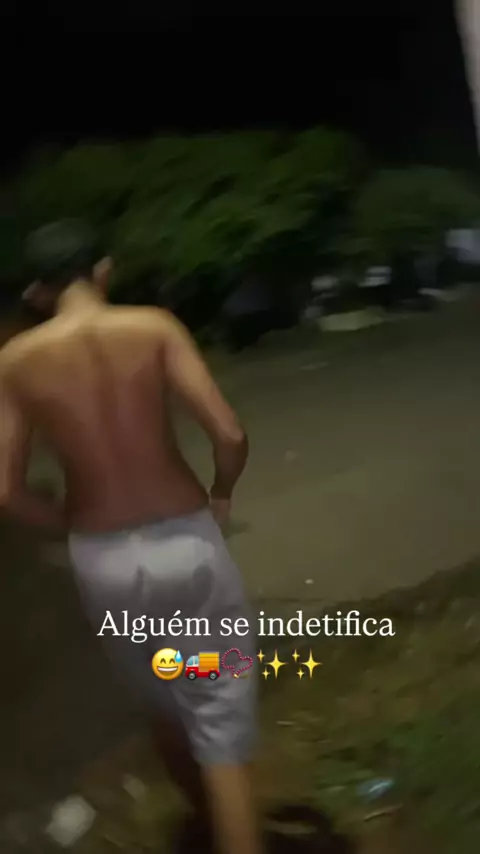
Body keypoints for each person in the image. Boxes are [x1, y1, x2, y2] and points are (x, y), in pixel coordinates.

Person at [0, 220, 262, 854]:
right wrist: (222, 491)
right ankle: (232, 824)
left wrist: (67, 524)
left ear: (38, 292)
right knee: (219, 708)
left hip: (104, 560)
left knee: (162, 695)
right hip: (186, 541)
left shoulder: (15, 362)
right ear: (103, 270)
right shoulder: (153, 327)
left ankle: (206, 825)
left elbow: (5, 490)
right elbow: (229, 435)